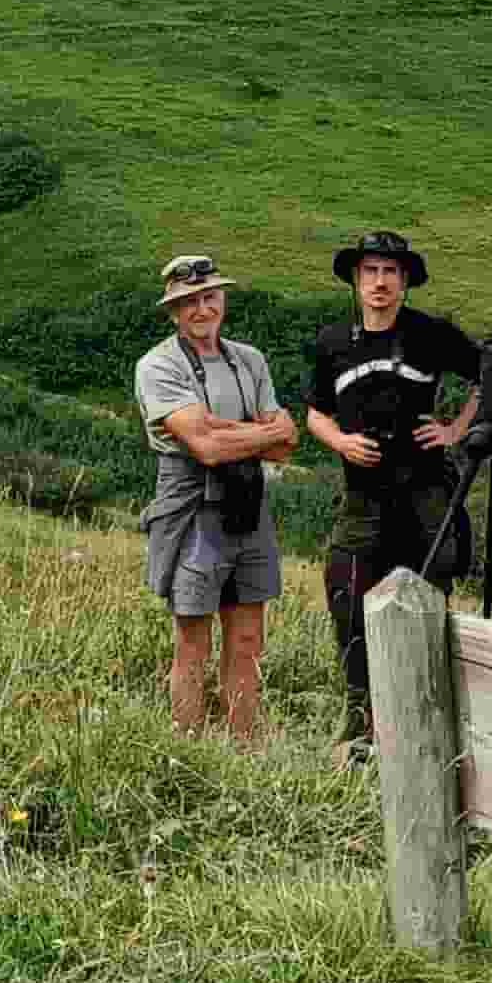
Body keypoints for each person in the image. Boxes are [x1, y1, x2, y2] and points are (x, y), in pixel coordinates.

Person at [304, 230, 481, 765]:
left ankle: (426, 727)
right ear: (356, 281)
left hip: (425, 493)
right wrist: (338, 441)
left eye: (390, 272)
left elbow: (489, 379)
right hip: (362, 498)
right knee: (349, 601)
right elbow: (313, 411)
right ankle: (361, 728)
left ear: (405, 281)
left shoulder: (431, 333)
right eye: (370, 272)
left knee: (425, 604)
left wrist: (454, 429)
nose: (379, 282)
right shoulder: (333, 341)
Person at [135, 254, 297, 737]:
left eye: (210, 297)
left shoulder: (250, 360)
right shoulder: (158, 365)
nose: (202, 310)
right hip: (191, 509)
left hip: (249, 505)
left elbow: (287, 445)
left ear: (223, 298)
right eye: (189, 303)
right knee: (192, 640)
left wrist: (220, 430)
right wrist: (256, 433)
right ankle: (187, 745)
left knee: (247, 637)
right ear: (173, 311)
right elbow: (203, 449)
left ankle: (242, 745)